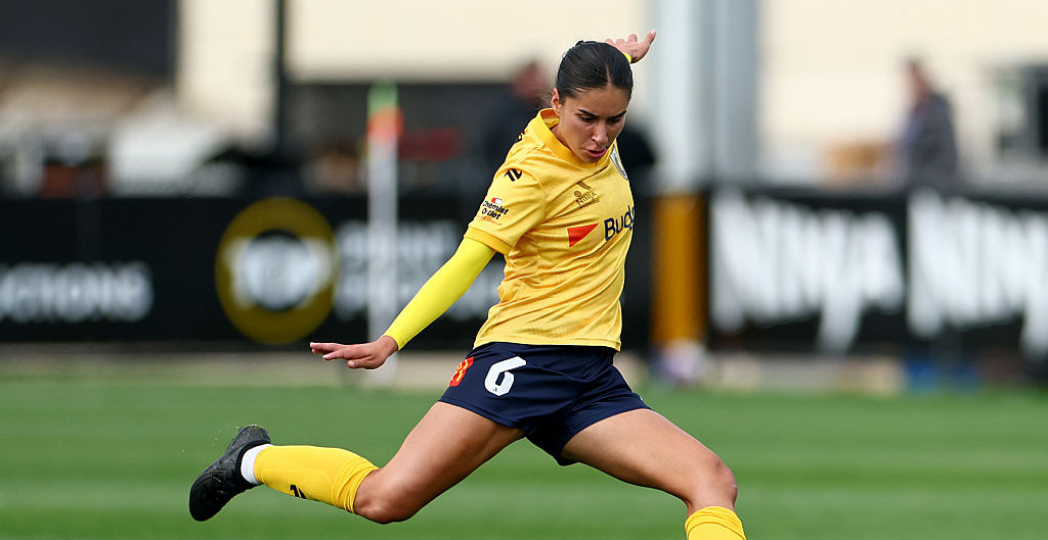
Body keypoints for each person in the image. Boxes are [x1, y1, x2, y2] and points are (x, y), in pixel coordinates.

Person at [190, 30, 746, 540]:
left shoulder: (597, 118)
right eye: (587, 119)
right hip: (524, 362)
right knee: (386, 499)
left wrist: (619, 52)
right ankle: (251, 461)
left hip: (590, 375)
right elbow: (465, 261)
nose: (601, 136)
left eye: (615, 120)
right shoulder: (530, 174)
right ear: (555, 102)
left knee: (712, 480)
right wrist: (392, 340)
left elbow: (599, 75)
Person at [896, 58, 959, 190]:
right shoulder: (913, 112)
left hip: (934, 185)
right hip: (915, 183)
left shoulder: (938, 111)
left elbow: (945, 153)